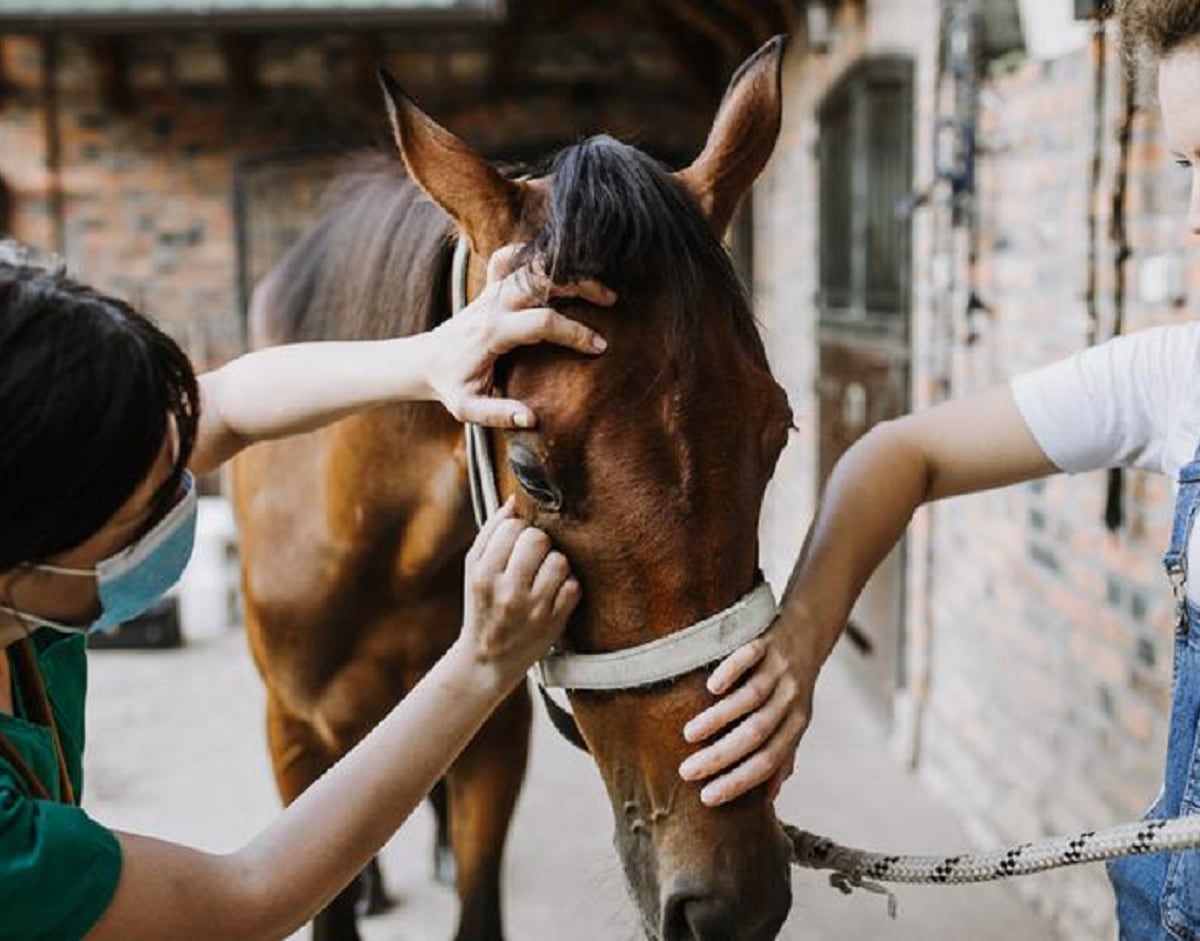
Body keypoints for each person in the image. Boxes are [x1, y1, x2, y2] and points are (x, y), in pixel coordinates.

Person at [682, 1, 1200, 937]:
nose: (1198, 221)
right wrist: (799, 646)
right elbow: (901, 454)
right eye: (1188, 169)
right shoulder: (1178, 378)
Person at [0, 245, 613, 940]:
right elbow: (244, 899)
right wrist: (482, 662)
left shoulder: (29, 581)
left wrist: (433, 356)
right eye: (141, 504)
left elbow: (226, 405)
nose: (178, 492)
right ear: (30, 540)